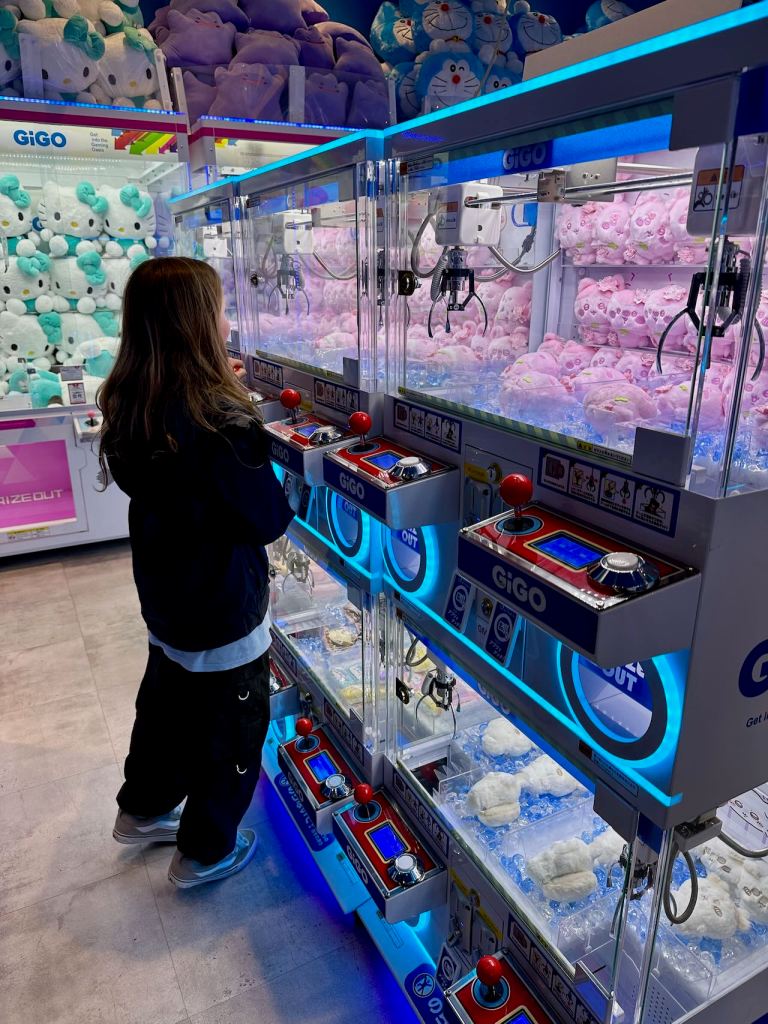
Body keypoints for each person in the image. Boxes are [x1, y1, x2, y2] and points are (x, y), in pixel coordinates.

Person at [98, 257, 294, 888]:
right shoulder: (220, 424)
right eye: (220, 310)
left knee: (166, 702)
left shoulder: (134, 401)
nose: (227, 321)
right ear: (199, 326)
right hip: (220, 603)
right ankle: (205, 851)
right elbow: (266, 518)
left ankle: (143, 808)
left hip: (165, 589)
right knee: (232, 729)